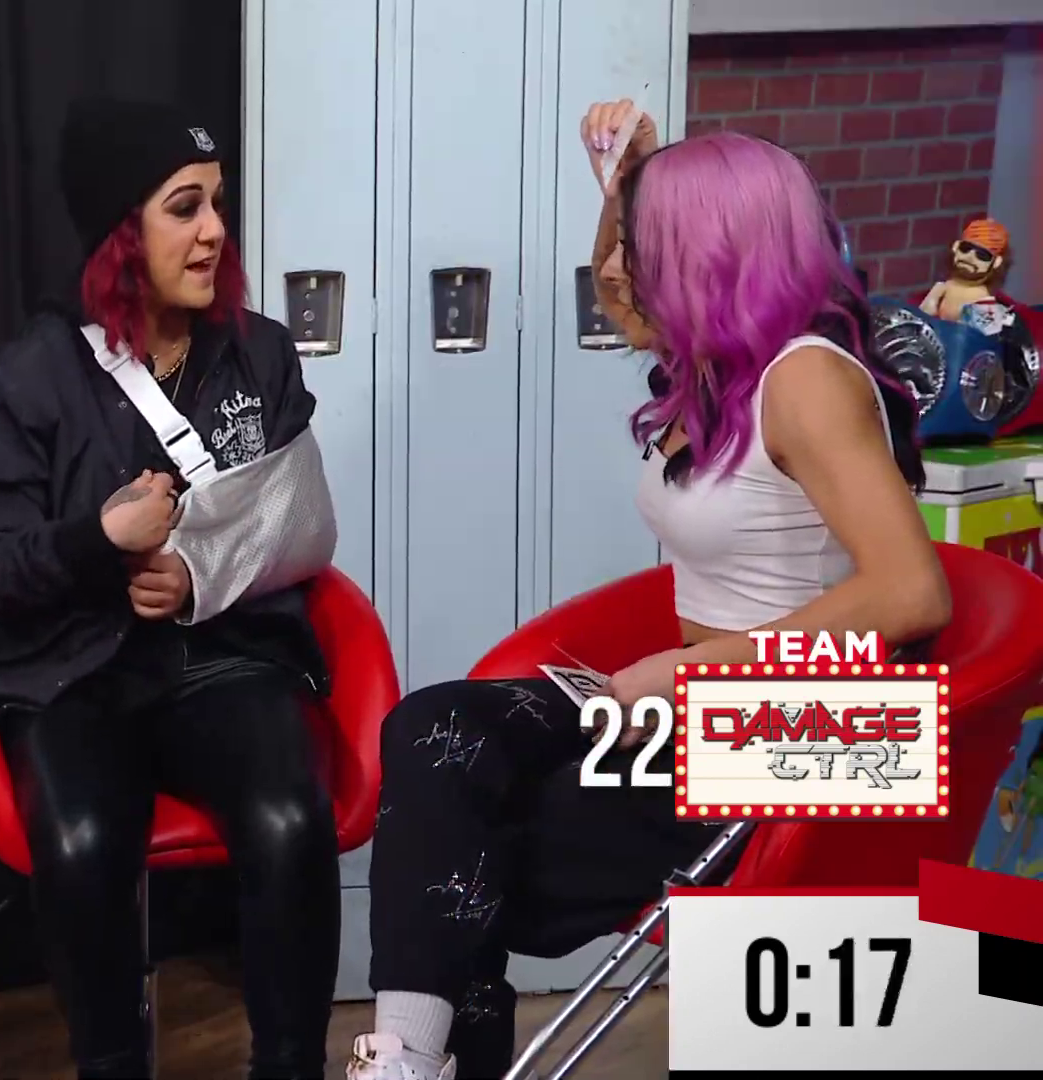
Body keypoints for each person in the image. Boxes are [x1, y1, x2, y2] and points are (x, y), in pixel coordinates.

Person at [345, 103, 953, 1080]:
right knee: (435, 729)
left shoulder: (806, 381)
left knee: (471, 850)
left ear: (707, 249)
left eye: (644, 242)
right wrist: (623, 184)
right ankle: (410, 1060)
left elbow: (913, 594)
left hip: (825, 736)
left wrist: (691, 671)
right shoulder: (718, 361)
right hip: (701, 710)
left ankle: (420, 1061)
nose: (622, 267)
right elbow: (617, 291)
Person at [0, 98, 341, 1079]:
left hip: (224, 662)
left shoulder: (260, 353)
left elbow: (300, 525)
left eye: (218, 204)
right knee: (81, 843)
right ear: (122, 232)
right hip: (74, 675)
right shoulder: (25, 381)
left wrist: (197, 574)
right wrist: (96, 541)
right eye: (184, 207)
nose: (214, 232)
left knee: (292, 820)